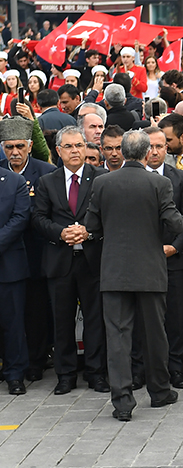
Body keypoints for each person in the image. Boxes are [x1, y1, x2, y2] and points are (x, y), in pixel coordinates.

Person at [85, 129, 183, 421]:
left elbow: (92, 224)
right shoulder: (160, 182)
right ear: (145, 153)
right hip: (150, 271)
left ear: (124, 153)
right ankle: (159, 391)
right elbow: (175, 223)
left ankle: (122, 402)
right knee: (155, 334)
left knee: (117, 337)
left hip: (114, 271)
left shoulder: (103, 183)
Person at [32, 125, 110, 395]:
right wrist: (61, 232)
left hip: (92, 259)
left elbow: (107, 215)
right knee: (62, 319)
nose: (75, 151)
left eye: (79, 145)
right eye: (69, 147)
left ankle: (96, 372)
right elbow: (38, 218)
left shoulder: (100, 178)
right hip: (60, 260)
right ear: (58, 151)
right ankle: (65, 374)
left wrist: (87, 231)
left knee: (95, 318)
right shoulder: (47, 182)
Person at [1, 117, 56, 383]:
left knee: (35, 311)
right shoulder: (2, 173)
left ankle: (36, 360)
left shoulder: (45, 172)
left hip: (36, 252)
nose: (15, 152)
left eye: (20, 146)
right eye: (9, 147)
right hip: (9, 255)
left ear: (30, 146)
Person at [144, 127, 183, 388]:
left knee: (176, 316)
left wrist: (175, 247)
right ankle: (145, 368)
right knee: (146, 317)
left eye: (160, 146)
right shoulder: (133, 177)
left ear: (167, 148)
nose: (155, 151)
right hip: (142, 260)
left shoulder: (179, 178)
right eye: (150, 146)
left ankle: (176, 368)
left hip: (174, 259)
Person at [0, 143, 31, 395]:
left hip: (9, 265)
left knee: (12, 322)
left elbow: (20, 218)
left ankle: (15, 374)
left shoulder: (14, 181)